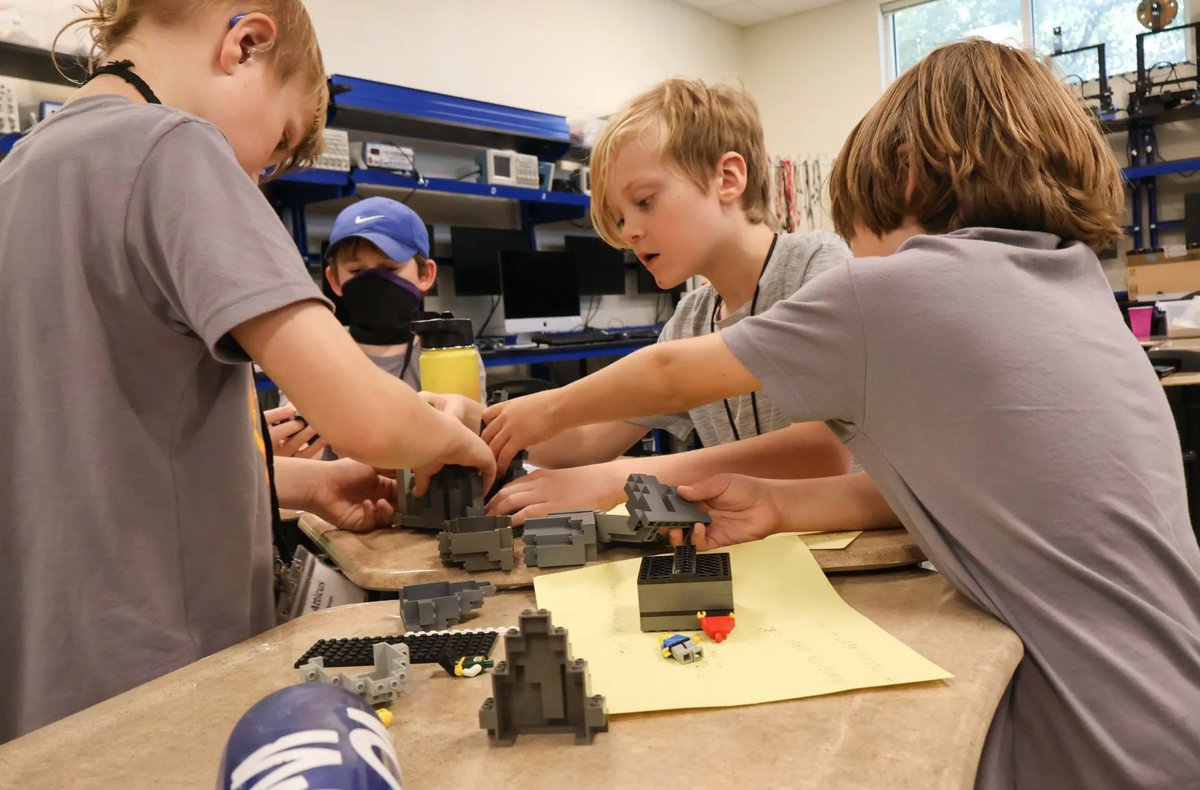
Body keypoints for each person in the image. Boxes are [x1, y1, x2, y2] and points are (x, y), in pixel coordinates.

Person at [481, 40, 1200, 788]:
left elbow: (667, 376)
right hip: (1172, 710)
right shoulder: (1075, 284)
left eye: (860, 225)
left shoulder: (894, 292)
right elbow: (956, 491)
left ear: (907, 177)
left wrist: (539, 409)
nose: (858, 253)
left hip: (1087, 744)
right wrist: (779, 504)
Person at [0, 0, 492, 742]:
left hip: (44, 683)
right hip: (161, 672)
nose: (258, 175)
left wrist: (305, 484)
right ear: (247, 45)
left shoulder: (19, 173)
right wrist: (457, 437)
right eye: (280, 143)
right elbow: (365, 415)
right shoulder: (176, 147)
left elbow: (93, 453)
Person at [487, 78, 854, 525]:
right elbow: (586, 440)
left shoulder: (820, 267)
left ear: (728, 178)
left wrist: (620, 480)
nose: (629, 232)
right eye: (620, 218)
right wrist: (484, 428)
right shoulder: (690, 318)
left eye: (644, 201)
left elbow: (822, 452)